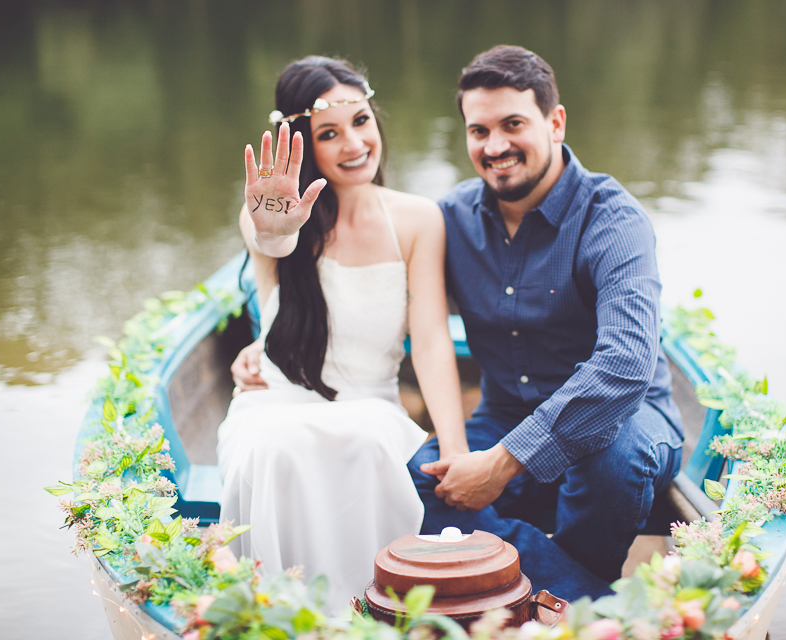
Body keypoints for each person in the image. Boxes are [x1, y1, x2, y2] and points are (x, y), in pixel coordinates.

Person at [405, 45, 686, 601]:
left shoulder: (613, 219)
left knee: (613, 460)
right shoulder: (450, 220)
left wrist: (504, 463)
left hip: (631, 419)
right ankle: (581, 599)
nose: (495, 146)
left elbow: (625, 366)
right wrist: (265, 338)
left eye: (513, 125)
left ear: (555, 122)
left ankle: (528, 587)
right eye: (478, 130)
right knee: (413, 475)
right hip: (505, 413)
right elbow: (372, 295)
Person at [218, 56, 467, 613]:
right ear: (303, 143)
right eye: (328, 133)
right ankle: (287, 613)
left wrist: (454, 447)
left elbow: (429, 340)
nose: (353, 143)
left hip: (369, 403)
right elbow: (273, 242)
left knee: (370, 441)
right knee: (273, 447)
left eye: (361, 121)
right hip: (277, 400)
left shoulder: (418, 219)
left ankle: (367, 611)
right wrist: (275, 227)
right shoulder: (272, 212)